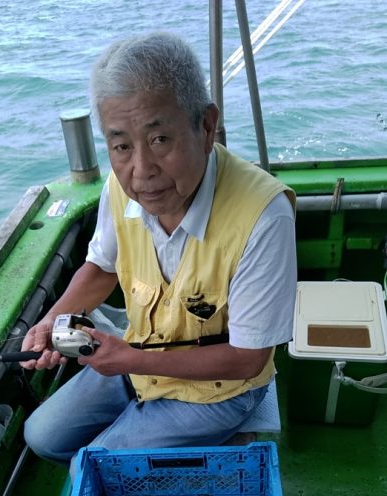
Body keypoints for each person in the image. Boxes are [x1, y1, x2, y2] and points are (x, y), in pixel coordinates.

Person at [22, 31, 297, 465]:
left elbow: (248, 359)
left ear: (207, 127)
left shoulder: (264, 215)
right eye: (121, 146)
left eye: (159, 140)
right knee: (41, 435)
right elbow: (101, 268)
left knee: (89, 468)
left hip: (221, 391)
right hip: (136, 357)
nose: (141, 171)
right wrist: (53, 319)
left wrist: (129, 360)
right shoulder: (121, 186)